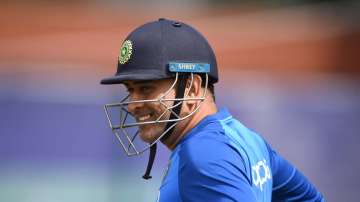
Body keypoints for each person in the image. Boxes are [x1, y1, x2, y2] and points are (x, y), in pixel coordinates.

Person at [100, 18, 325, 202]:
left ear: (192, 87)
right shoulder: (245, 138)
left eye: (146, 88)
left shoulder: (203, 156)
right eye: (131, 90)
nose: (132, 105)